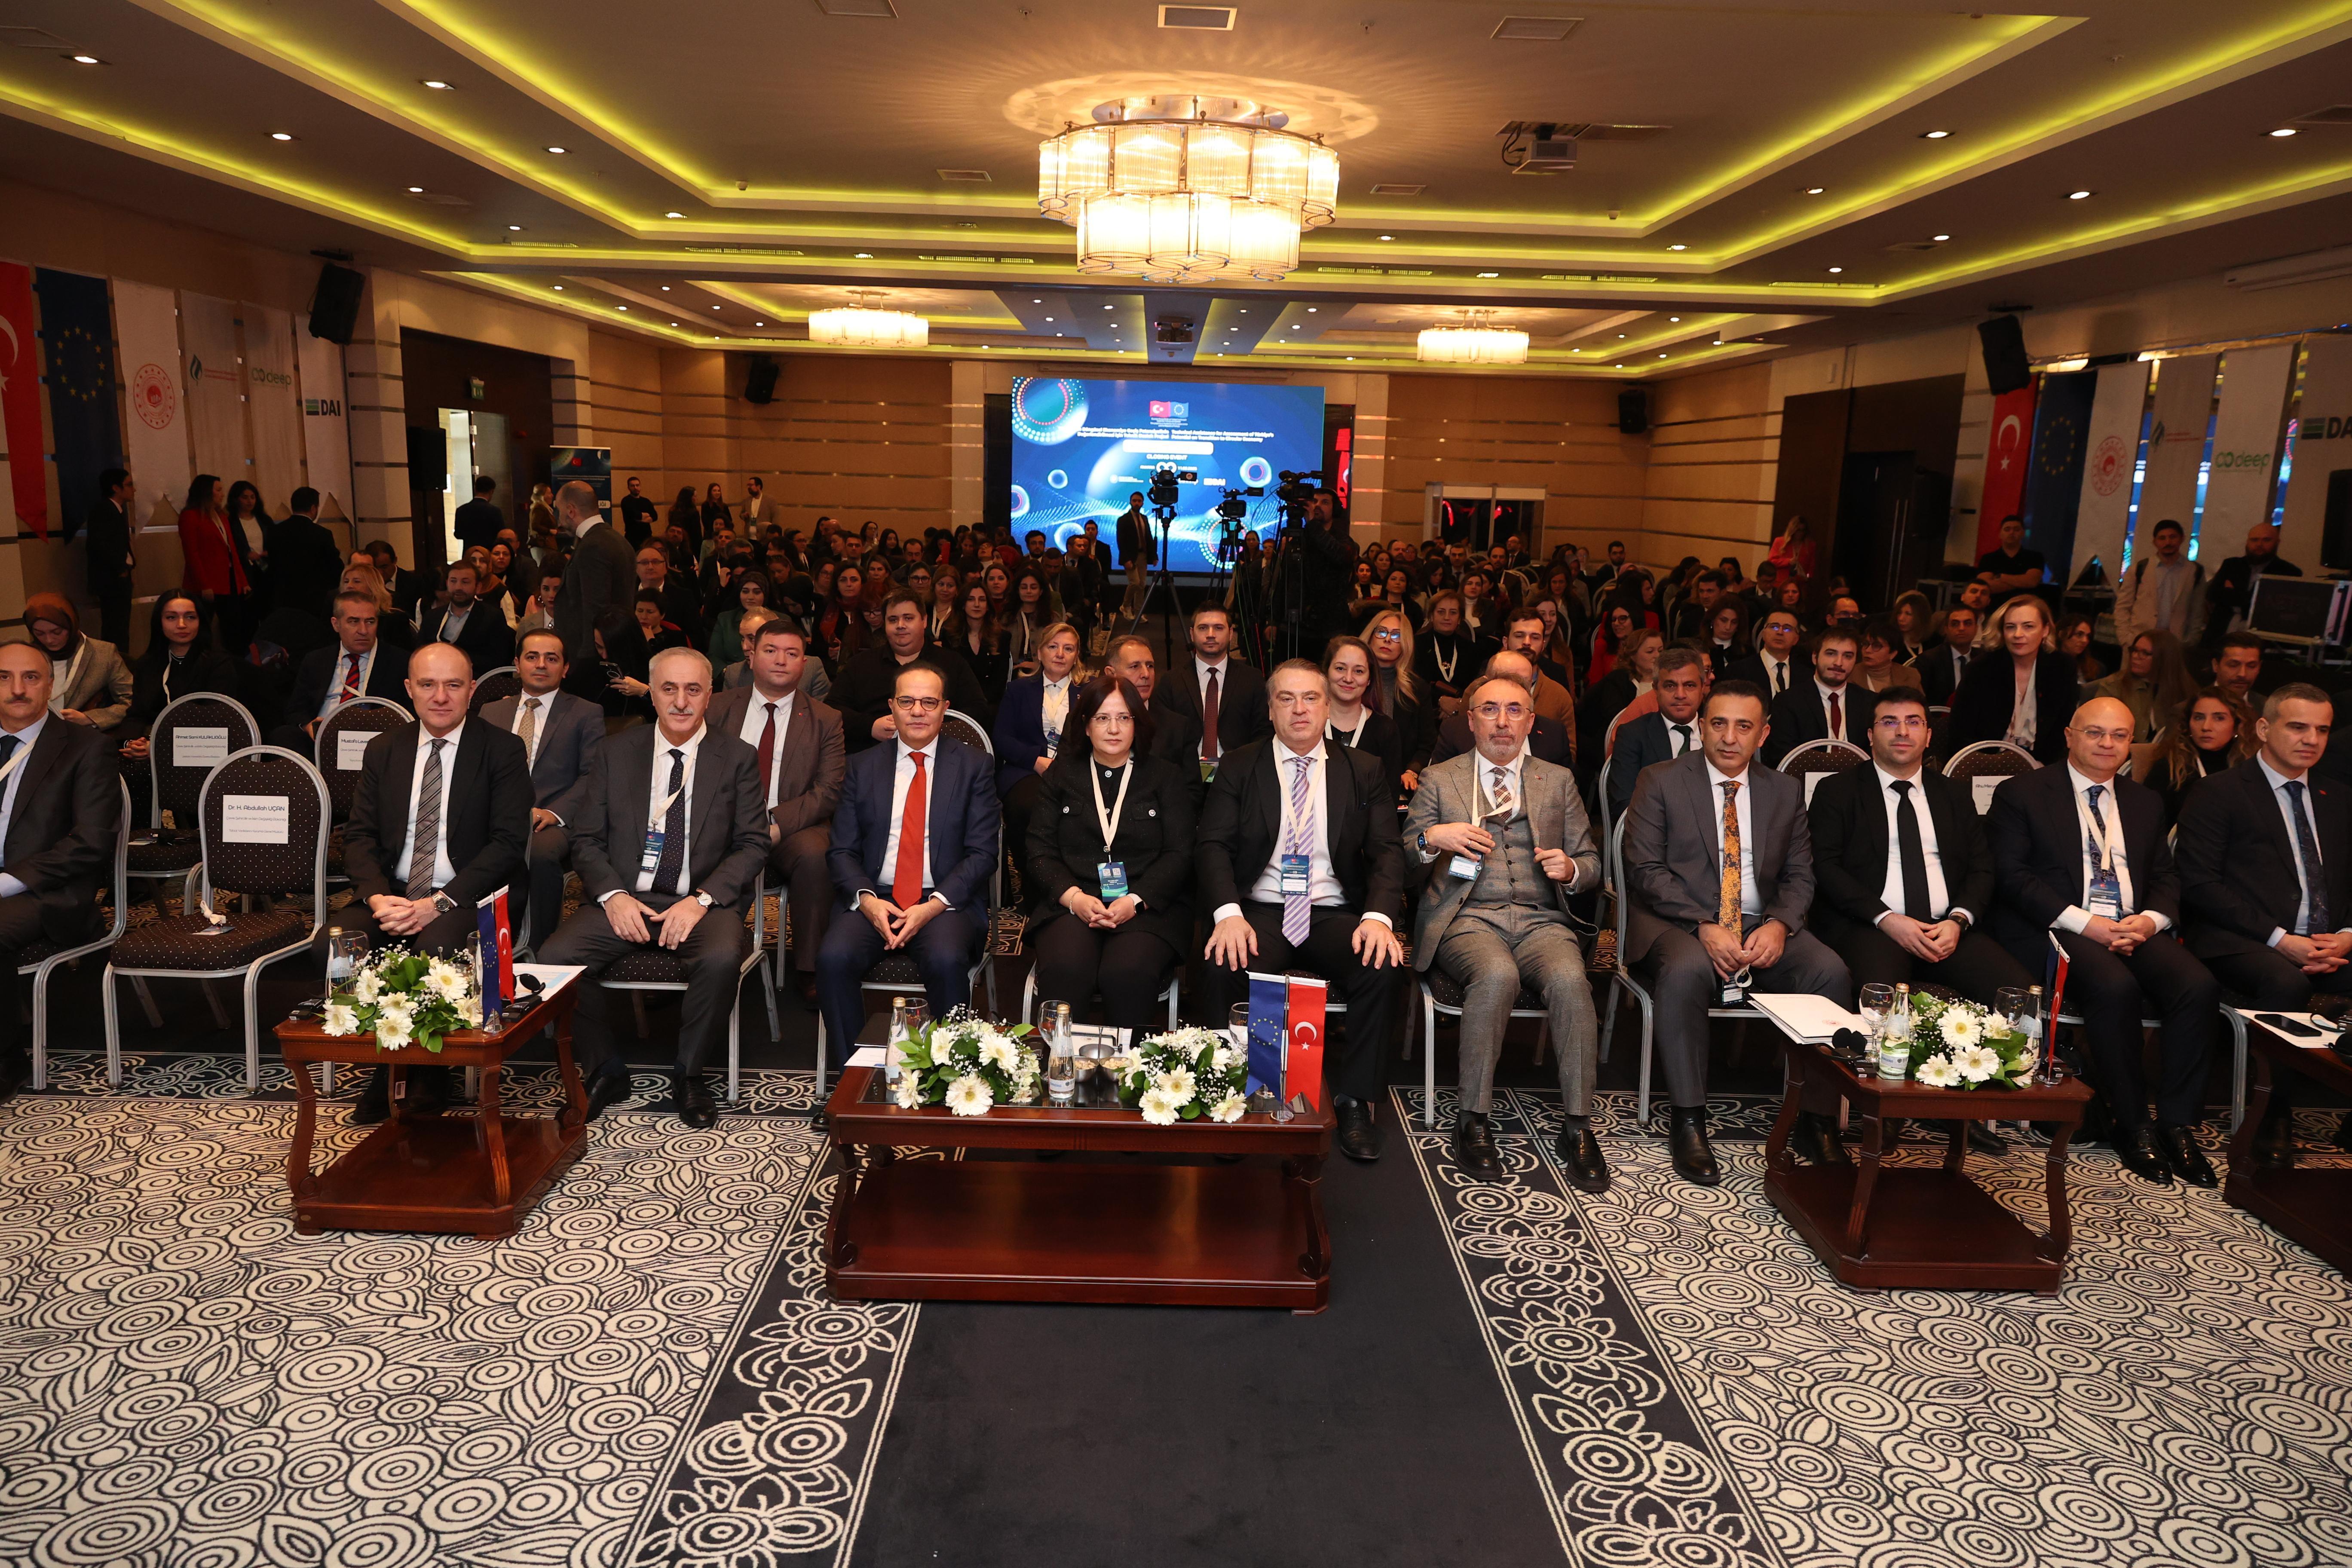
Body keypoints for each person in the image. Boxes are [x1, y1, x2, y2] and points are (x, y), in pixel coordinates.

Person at [1984, 695, 2225, 1185]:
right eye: (2095, 732)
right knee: (2115, 987)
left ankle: (2178, 1124)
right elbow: (2012, 877)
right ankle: (2132, 1123)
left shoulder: (2145, 802)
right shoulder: (2022, 793)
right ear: (2070, 736)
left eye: (2119, 735)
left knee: (2197, 986)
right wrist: (2086, 924)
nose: (2107, 744)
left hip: (2131, 925)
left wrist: (2151, 921)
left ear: (2131, 743)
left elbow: (2165, 874)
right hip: (2056, 927)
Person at [1622, 680, 1853, 1185]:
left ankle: (1816, 1121)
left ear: (1763, 734)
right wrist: (1703, 924)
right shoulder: (1660, 780)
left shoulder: (1783, 790)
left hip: (1758, 921)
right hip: (1675, 920)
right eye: (1719, 724)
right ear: (1702, 727)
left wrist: (1780, 924)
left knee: (1829, 972)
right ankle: (1689, 1119)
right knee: (1686, 969)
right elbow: (1645, 871)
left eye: (1743, 726)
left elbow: (1800, 874)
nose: (1730, 738)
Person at [540, 648, 769, 1128]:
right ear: (653, 694)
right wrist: (613, 896)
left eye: (693, 690)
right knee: (555, 959)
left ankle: (689, 1073)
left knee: (721, 959)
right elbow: (586, 839)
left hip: (702, 902)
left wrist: (701, 901)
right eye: (669, 689)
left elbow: (753, 844)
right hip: (625, 896)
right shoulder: (615, 752)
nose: (681, 701)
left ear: (710, 695)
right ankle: (606, 1069)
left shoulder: (737, 758)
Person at [1406, 671, 1607, 1189]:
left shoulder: (1557, 780)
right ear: (1470, 721)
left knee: (1572, 981)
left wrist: (1572, 868)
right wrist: (1433, 837)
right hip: (1467, 917)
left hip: (1542, 921)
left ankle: (1578, 1126)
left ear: (1531, 722)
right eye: (1489, 710)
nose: (1502, 721)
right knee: (1497, 976)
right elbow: (1403, 855)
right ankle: (1472, 1120)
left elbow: (1592, 862)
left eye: (1514, 710)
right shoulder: (1441, 778)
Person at [1198, 660, 1404, 1161]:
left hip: (1332, 911)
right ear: (1270, 710)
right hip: (1261, 910)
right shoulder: (1240, 765)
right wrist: (1228, 914)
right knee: (1223, 961)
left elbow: (1387, 851)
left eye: (1310, 698)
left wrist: (1378, 919)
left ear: (1328, 706)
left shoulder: (1364, 769)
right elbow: (1212, 845)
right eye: (1286, 699)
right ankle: (1229, 1093)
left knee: (1382, 964)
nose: (1299, 709)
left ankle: (1354, 1100)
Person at [332, 643, 533, 1125]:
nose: (440, 697)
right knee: (337, 945)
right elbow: (359, 835)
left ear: (472, 690)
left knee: (436, 946)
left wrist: (438, 904)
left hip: (472, 894)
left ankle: (428, 1071)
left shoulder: (503, 749)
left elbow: (507, 844)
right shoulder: (385, 748)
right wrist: (378, 897)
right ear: (409, 689)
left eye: (453, 685)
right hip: (395, 890)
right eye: (428, 685)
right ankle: (384, 1056)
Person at [2174, 684, 2352, 1168]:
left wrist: (2346, 937)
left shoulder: (2339, 798)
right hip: (2241, 940)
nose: (2311, 739)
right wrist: (2281, 940)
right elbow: (2200, 884)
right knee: (2285, 982)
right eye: (2298, 727)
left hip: (2328, 941)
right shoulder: (2219, 792)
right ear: (2264, 728)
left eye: (2322, 730)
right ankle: (2273, 1114)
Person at [818, 663, 999, 1064]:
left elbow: (983, 853)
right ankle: (853, 1074)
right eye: (907, 701)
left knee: (946, 960)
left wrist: (932, 906)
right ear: (892, 707)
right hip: (875, 896)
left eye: (929, 702)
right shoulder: (862, 766)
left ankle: (951, 1076)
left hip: (945, 901)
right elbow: (841, 851)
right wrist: (868, 901)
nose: (918, 711)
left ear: (945, 709)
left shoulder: (974, 766)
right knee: (833, 959)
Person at [1806, 688, 2030, 996]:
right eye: (1889, 722)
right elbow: (1825, 867)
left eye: (1913, 722)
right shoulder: (1837, 791)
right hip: (1870, 927)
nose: (1902, 731)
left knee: (2017, 997)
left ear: (1928, 736)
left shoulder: (1954, 794)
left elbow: (1982, 868)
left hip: (1946, 930)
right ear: (1870, 735)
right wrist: (1887, 919)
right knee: (1880, 1001)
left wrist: (1958, 921)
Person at [1022, 673, 1195, 1030]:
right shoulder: (1060, 776)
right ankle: (1062, 1062)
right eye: (1102, 718)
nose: (1113, 728)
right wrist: (1074, 898)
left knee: (1127, 972)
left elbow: (1180, 853)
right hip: (1070, 904)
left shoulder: (1165, 777)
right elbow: (1039, 850)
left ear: (1137, 724)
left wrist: (1134, 900)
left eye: (1123, 718)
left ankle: (1128, 1065)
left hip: (1146, 906)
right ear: (1086, 726)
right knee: (1068, 967)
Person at [0, 643, 122, 1101]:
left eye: (30, 677)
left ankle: (6, 1058)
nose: (17, 689)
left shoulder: (86, 748)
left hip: (46, 891)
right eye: (4, 677)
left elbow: (90, 842)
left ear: (51, 685)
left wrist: (6, 883)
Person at [704, 621, 843, 1005]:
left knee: (818, 855)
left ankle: (810, 968)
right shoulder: (716, 707)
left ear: (804, 663)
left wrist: (776, 824)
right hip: (723, 824)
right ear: (751, 656)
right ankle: (693, 953)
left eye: (792, 653)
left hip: (792, 829)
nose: (781, 660)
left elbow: (828, 790)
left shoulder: (825, 719)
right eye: (771, 651)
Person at [477, 630, 604, 948]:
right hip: (495, 815)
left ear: (565, 668)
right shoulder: (491, 712)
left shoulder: (586, 713)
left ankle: (539, 945)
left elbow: (593, 776)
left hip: (552, 820)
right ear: (517, 664)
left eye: (552, 658)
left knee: (539, 854)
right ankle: (479, 939)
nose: (541, 665)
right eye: (532, 657)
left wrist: (554, 812)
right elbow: (476, 772)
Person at [833, 591, 993, 754]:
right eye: (893, 620)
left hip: (939, 754)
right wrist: (870, 726)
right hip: (872, 753)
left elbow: (978, 710)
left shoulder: (952, 663)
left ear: (924, 621)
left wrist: (934, 727)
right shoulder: (860, 664)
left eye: (908, 618)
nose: (900, 625)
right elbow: (833, 710)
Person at [993, 622, 1082, 889]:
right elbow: (1002, 737)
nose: (1060, 654)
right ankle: (1032, 878)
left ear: (1076, 656)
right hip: (1026, 770)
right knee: (1026, 807)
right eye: (1053, 647)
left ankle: (1074, 879)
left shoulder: (1089, 692)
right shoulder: (1018, 690)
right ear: (1040, 652)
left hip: (1075, 769)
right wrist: (1036, 761)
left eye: (1068, 649)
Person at [271, 591, 410, 751]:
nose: (363, 630)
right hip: (322, 737)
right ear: (336, 624)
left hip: (376, 740)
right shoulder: (316, 660)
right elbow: (296, 709)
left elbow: (409, 713)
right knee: (282, 735)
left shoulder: (400, 661)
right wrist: (309, 726)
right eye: (354, 622)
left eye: (370, 622)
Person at [1948, 594, 2075, 765]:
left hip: (2043, 765)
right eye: (2010, 627)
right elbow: (1960, 731)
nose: (2018, 634)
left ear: (2045, 630)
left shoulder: (2062, 667)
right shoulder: (1981, 668)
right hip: (1985, 763)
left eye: (2028, 627)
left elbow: (2065, 729)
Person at [119, 594, 239, 767]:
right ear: (159, 622)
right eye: (171, 618)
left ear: (201, 621)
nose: (182, 625)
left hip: (202, 750)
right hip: (151, 745)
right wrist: (130, 743)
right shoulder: (147, 663)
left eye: (190, 617)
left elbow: (215, 721)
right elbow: (137, 714)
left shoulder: (218, 663)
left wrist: (160, 747)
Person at [1155, 602, 1270, 774]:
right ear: (1192, 634)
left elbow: (1263, 732)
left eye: (1218, 628)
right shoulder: (1171, 682)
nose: (1210, 635)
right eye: (1203, 628)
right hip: (1185, 776)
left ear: (1231, 633)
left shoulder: (1253, 680)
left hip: (1239, 775)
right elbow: (1164, 738)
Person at [551, 480, 637, 698]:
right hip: (609, 656)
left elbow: (596, 610)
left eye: (559, 510)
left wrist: (584, 667)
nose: (558, 518)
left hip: (590, 665)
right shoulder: (617, 540)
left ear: (571, 510)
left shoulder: (594, 546)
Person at [1605, 645, 1709, 823]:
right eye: (1670, 686)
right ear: (1655, 689)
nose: (1680, 695)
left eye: (1690, 685)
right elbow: (1624, 805)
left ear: (1703, 687)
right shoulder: (1633, 735)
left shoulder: (1720, 733)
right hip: (1656, 834)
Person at [2132, 686, 2256, 830]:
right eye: (2199, 718)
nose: (2206, 727)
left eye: (2219, 718)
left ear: (2236, 726)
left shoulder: (2250, 767)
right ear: (2188, 724)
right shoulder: (2170, 767)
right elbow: (2147, 824)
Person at [1428, 651, 1574, 770]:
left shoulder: (1553, 735)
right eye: (1504, 680)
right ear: (1486, 681)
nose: (1512, 689)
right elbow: (1438, 784)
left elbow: (1565, 788)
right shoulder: (1455, 732)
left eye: (1522, 683)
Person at [23, 593, 132, 733]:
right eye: (40, 634)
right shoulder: (26, 656)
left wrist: (90, 718)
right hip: (33, 733)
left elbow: (132, 701)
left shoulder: (103, 654)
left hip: (81, 736)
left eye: (57, 632)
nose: (49, 640)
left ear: (71, 624)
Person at [1763, 625, 1870, 764]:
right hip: (1806, 774)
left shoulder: (1869, 702)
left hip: (1859, 775)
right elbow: (1781, 755)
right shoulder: (1789, 701)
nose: (1839, 663)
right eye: (1831, 654)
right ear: (1815, 657)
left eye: (1848, 656)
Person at [178, 475, 254, 654]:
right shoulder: (191, 516)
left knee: (234, 628)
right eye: (218, 490)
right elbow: (192, 554)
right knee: (202, 630)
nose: (222, 494)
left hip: (228, 580)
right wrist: (204, 585)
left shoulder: (221, 516)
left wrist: (242, 581)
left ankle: (235, 664)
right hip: (206, 583)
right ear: (206, 492)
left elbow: (231, 550)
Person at [1323, 636, 1405, 799]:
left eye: (1359, 671)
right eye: (1340, 668)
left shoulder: (1385, 729)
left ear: (1369, 680)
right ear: (1326, 672)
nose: (1348, 678)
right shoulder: (1308, 723)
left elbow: (1389, 798)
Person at [1362, 609, 1430, 793]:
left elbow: (1427, 744)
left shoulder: (1417, 689)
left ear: (1405, 644)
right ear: (1370, 637)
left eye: (1396, 635)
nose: (1387, 640)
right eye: (1381, 632)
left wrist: (1412, 771)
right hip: (1355, 776)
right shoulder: (1351, 682)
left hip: (1398, 781)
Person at [2204, 521, 2301, 646]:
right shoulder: (2232, 565)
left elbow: (2270, 607)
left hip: (2263, 638)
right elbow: (2213, 594)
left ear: (2277, 542)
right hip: (2220, 634)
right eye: (2254, 540)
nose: (2259, 545)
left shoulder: (2289, 572)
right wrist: (2250, 598)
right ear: (2248, 542)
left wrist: (2232, 593)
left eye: (2266, 540)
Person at [2092, 630, 2197, 744]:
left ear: (2165, 658)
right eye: (2135, 650)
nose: (2136, 656)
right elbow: (2097, 726)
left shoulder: (2184, 688)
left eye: (2145, 653)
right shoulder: (2113, 686)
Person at [2114, 518, 2206, 646]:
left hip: (2177, 643)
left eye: (2173, 537)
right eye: (2162, 538)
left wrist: (2191, 641)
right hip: (2139, 640)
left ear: (2182, 539)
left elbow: (2197, 611)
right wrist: (2126, 639)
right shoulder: (2139, 569)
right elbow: (2123, 607)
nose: (2168, 542)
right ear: (2155, 542)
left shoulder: (2194, 571)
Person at [270, 487, 346, 634]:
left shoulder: (275, 531)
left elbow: (273, 564)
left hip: (283, 598)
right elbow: (335, 567)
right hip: (315, 600)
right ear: (313, 508)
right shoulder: (322, 534)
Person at [420, 559, 516, 674]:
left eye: (465, 582)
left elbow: (499, 660)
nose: (458, 587)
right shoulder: (432, 616)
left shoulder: (492, 617)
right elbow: (420, 653)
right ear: (447, 584)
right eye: (453, 581)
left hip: (477, 679)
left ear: (478, 587)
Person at [83, 467, 136, 648]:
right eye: (129, 485)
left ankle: (120, 660)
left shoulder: (116, 510)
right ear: (116, 488)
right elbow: (99, 545)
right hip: (112, 580)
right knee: (116, 628)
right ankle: (116, 662)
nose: (134, 489)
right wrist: (120, 569)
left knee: (120, 626)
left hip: (118, 577)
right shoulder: (104, 510)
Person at [1498, 610, 1575, 724]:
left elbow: (1568, 736)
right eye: (1519, 636)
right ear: (1506, 642)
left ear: (1543, 645)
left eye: (1535, 638)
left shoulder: (1560, 697)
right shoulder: (1480, 690)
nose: (1527, 643)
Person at [1726, 608, 1809, 703]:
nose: (1780, 632)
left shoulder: (1806, 676)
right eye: (1774, 627)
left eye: (1787, 629)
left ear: (1796, 639)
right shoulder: (1739, 670)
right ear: (1763, 633)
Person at [636, 544, 703, 646]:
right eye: (645, 563)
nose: (650, 567)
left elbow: (696, 637)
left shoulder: (684, 597)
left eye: (656, 562)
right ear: (636, 568)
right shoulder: (626, 595)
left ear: (666, 568)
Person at [1916, 604, 1978, 708]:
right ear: (1946, 629)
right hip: (1939, 716)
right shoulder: (1928, 660)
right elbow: (1921, 701)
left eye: (1968, 624)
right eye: (1955, 624)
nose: (1962, 628)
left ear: (1976, 628)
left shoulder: (1985, 659)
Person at [1976, 515, 2047, 600]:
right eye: (2007, 530)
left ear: (2023, 533)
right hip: (1995, 604)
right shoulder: (1988, 558)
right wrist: (2022, 583)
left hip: (2026, 604)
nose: (2012, 533)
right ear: (2000, 534)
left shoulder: (2035, 557)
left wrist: (2001, 577)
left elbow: (2032, 581)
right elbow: (1985, 587)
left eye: (2017, 530)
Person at [362, 540, 429, 625]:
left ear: (395, 561)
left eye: (384, 567)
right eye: (375, 568)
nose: (380, 573)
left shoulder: (415, 582)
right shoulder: (365, 584)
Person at [1853, 617, 1923, 696]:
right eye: (1866, 644)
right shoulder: (1850, 675)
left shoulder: (1911, 676)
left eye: (1876, 646)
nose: (1868, 650)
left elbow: (1920, 703)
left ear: (1893, 654)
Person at [1114, 491, 1153, 621]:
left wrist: (1154, 556)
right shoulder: (1123, 520)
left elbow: (1148, 538)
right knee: (1135, 583)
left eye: (1139, 501)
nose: (1137, 503)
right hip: (1130, 557)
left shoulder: (1144, 519)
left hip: (1143, 555)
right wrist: (1126, 559)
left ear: (1143, 503)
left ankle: (1138, 613)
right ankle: (1125, 606)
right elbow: (1121, 541)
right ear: (1130, 502)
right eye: (1134, 501)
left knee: (1141, 585)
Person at [2213, 632, 2266, 707]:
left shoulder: (2268, 707)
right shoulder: (2197, 700)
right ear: (2216, 665)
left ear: (2259, 667)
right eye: (2233, 665)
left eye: (2251, 666)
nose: (2243, 674)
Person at [454, 475, 504, 553]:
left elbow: (458, 535)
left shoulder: (462, 510)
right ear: (492, 492)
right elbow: (501, 535)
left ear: (475, 489)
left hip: (469, 553)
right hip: (488, 553)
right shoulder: (495, 511)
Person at [618, 475, 658, 548]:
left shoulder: (646, 501)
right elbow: (635, 515)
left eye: (637, 485)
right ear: (629, 488)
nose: (636, 488)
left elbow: (655, 516)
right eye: (633, 486)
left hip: (647, 536)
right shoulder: (626, 501)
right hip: (632, 537)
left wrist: (642, 519)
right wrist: (647, 515)